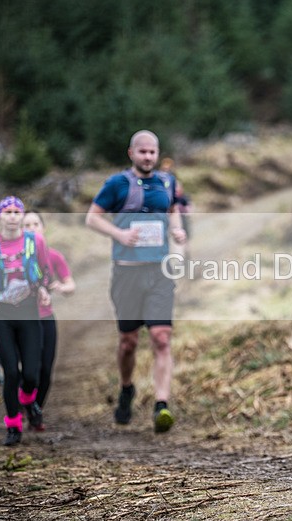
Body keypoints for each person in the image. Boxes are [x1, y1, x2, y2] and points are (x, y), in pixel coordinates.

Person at [85, 130, 187, 433]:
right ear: (131, 153)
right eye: (142, 152)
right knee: (128, 342)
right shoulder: (117, 184)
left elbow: (173, 210)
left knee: (161, 338)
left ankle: (161, 405)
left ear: (158, 154)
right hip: (127, 272)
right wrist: (120, 235)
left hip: (159, 272)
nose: (148, 157)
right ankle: (127, 388)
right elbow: (92, 217)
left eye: (152, 152)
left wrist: (177, 232)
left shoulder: (167, 181)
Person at [0, 196, 52, 445]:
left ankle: (28, 399)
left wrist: (42, 288)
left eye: (17, 211)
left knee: (31, 374)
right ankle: (13, 425)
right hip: (2, 314)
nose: (12, 215)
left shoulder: (34, 241)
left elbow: (44, 270)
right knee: (11, 372)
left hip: (29, 311)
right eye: (7, 211)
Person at [23, 210, 75, 427]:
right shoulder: (11, 257)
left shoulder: (53, 256)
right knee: (28, 369)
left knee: (45, 368)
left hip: (45, 317)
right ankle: (23, 406)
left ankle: (36, 409)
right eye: (27, 225)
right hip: (20, 320)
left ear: (43, 228)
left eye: (36, 224)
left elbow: (71, 284)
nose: (32, 228)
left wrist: (62, 287)